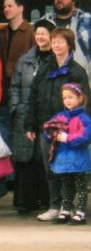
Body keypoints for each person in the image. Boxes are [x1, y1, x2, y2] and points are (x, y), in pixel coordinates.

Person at [24, 27, 90, 221]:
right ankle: (55, 205)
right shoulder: (45, 68)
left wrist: (76, 129)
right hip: (48, 128)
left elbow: (85, 101)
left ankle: (70, 207)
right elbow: (33, 96)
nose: (56, 45)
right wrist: (30, 124)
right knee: (51, 167)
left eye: (61, 41)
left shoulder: (76, 71)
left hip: (71, 130)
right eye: (54, 41)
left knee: (73, 170)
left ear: (69, 45)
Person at [9, 19, 55, 213]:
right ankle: (25, 202)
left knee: (43, 158)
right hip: (25, 114)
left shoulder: (56, 59)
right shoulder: (25, 59)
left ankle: (46, 202)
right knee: (25, 159)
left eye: (44, 33)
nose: (40, 37)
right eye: (38, 33)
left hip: (47, 115)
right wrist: (16, 107)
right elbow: (15, 86)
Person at [41, 83, 90, 225]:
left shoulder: (84, 118)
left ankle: (80, 212)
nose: (67, 100)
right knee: (65, 185)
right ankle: (66, 210)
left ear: (80, 98)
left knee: (81, 186)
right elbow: (48, 129)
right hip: (63, 158)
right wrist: (50, 133)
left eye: (71, 97)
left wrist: (68, 138)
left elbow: (86, 137)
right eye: (65, 98)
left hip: (78, 158)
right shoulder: (60, 116)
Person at [46, 0, 90, 71]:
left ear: (73, 0)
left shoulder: (86, 20)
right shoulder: (46, 20)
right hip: (51, 73)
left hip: (79, 74)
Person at [2, 0, 34, 85]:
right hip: (3, 82)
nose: (6, 9)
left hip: (23, 83)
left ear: (21, 8)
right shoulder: (1, 33)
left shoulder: (31, 32)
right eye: (4, 7)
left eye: (10, 6)